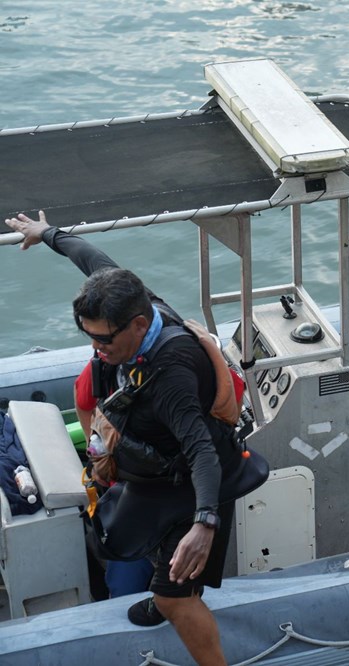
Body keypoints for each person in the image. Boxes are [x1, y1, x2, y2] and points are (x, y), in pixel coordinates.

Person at [6, 211, 238, 666]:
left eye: (104, 340)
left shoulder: (170, 375)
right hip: (150, 469)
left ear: (138, 325)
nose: (97, 349)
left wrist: (204, 523)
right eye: (89, 337)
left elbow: (201, 450)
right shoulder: (132, 300)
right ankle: (166, 590)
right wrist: (45, 233)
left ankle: (179, 611)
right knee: (127, 538)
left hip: (189, 484)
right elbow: (89, 256)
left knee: (174, 593)